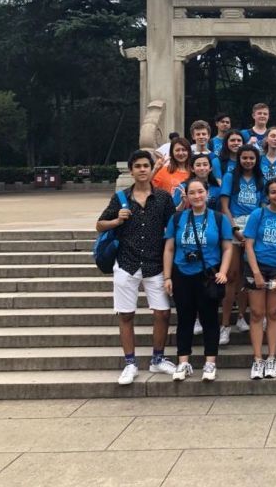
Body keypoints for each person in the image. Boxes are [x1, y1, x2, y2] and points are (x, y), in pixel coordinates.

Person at [96, 150, 177, 385]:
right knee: (126, 314)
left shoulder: (163, 198)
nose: (142, 169)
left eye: (146, 166)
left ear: (152, 169)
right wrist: (117, 220)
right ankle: (130, 363)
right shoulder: (121, 198)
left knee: (162, 312)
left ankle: (158, 358)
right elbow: (99, 225)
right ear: (131, 170)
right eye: (138, 166)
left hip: (155, 262)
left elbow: (171, 229)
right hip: (126, 262)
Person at [162, 178, 232, 382]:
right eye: (192, 193)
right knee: (185, 319)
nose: (197, 196)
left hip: (208, 275)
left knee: (210, 319)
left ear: (207, 193)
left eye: (200, 191)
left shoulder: (219, 219)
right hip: (182, 273)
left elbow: (227, 248)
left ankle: (210, 362)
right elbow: (169, 248)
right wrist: (167, 276)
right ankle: (183, 361)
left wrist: (224, 271)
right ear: (187, 197)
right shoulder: (177, 218)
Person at [243, 179, 276, 379]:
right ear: (267, 196)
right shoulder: (259, 214)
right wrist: (256, 273)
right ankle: (258, 359)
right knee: (257, 313)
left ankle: (271, 357)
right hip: (256, 266)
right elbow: (248, 244)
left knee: (273, 312)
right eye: (273, 192)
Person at [219, 145, 264, 343]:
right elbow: (224, 207)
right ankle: (225, 324)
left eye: (251, 158)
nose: (248, 161)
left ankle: (241, 317)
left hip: (253, 227)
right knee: (232, 277)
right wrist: (234, 229)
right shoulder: (230, 177)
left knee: (247, 277)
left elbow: (263, 206)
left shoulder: (260, 179)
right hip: (234, 225)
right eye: (244, 158)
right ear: (239, 159)